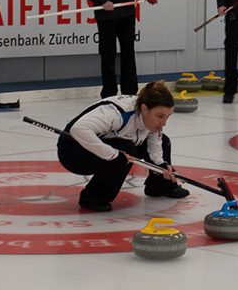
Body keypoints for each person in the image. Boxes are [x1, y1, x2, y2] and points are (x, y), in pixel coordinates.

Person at [57, 81, 188, 212]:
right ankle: (93, 198)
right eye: (160, 116)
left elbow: (154, 143)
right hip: (73, 150)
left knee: (163, 141)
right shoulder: (117, 113)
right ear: (144, 109)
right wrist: (113, 155)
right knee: (126, 148)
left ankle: (159, 186)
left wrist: (160, 165)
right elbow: (78, 129)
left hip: (111, 143)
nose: (164, 122)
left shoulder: (150, 116)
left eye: (167, 116)